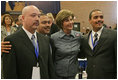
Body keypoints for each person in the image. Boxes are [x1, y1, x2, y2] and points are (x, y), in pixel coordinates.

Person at [2, 5, 55, 79]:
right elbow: (9, 72)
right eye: (33, 16)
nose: (37, 19)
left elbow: (50, 67)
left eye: (38, 16)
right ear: (23, 18)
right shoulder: (12, 40)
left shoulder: (45, 40)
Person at [80, 9, 117, 79]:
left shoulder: (114, 35)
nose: (99, 19)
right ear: (89, 20)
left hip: (108, 76)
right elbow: (82, 54)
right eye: (96, 17)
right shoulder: (84, 38)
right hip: (91, 75)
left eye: (101, 17)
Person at [51, 9, 83, 79]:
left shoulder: (79, 36)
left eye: (71, 19)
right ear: (60, 23)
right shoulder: (53, 38)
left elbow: (82, 52)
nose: (70, 22)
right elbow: (51, 57)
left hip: (73, 74)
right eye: (67, 20)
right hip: (57, 74)